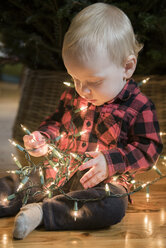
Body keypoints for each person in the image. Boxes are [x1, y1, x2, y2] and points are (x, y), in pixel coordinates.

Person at [0, 2, 163, 239]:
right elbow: (57, 122)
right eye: (75, 78)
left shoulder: (138, 107)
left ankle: (43, 212)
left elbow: (150, 149)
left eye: (94, 81)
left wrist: (110, 162)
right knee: (18, 181)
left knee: (112, 207)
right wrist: (43, 138)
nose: (82, 90)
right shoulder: (74, 95)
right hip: (58, 172)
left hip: (102, 184)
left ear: (127, 67)